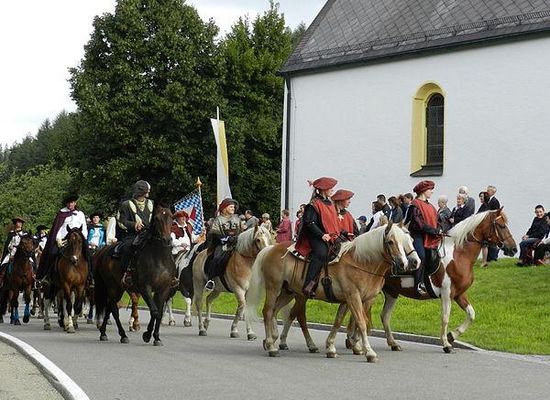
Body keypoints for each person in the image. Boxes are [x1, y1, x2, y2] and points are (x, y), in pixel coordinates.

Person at [295, 177, 340, 298]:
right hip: (316, 236)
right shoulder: (313, 204)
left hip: (330, 236)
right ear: (323, 189)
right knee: (321, 253)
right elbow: (310, 223)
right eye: (330, 188)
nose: (332, 190)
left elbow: (333, 222)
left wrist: (344, 233)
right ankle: (309, 284)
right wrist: (322, 235)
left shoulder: (329, 203)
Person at [36, 194, 89, 288]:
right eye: (68, 203)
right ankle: (47, 276)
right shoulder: (61, 213)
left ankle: (90, 277)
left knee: (88, 255)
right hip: (65, 239)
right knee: (52, 253)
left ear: (75, 203)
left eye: (72, 202)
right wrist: (58, 238)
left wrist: (82, 238)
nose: (70, 204)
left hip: (78, 239)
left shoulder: (80, 214)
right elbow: (58, 228)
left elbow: (84, 227)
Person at [408, 180, 442, 295]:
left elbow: (438, 220)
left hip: (431, 235)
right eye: (430, 189)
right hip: (417, 236)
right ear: (423, 191)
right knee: (421, 256)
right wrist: (434, 231)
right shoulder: (414, 205)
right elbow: (419, 224)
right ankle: (418, 283)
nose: (432, 192)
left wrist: (440, 229)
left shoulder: (431, 206)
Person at [118, 180, 154, 287]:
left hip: (149, 235)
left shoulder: (152, 203)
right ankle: (127, 273)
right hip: (133, 235)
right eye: (147, 190)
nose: (149, 192)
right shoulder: (126, 205)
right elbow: (121, 221)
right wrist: (134, 225)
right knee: (128, 247)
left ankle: (170, 273)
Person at [204, 198, 242, 291]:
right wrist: (227, 238)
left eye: (234, 207)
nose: (233, 208)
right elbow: (215, 233)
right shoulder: (218, 219)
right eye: (231, 207)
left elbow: (242, 231)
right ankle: (210, 280)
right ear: (225, 208)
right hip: (223, 245)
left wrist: (237, 238)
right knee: (216, 259)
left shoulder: (237, 219)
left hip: (236, 243)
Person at [0, 217, 32, 288]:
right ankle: (2, 281)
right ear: (15, 224)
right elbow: (8, 245)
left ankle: (35, 279)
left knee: (32, 262)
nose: (19, 224)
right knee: (3, 264)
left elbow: (29, 242)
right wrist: (10, 249)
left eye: (20, 223)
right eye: (18, 222)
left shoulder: (25, 233)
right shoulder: (11, 234)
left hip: (23, 252)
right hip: (12, 252)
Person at [486, 185, 501, 262]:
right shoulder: (488, 200)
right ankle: (489, 257)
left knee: (492, 241)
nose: (487, 192)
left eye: (488, 191)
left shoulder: (495, 201)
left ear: (493, 192)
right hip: (488, 223)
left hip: (492, 223)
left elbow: (496, 213)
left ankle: (493, 257)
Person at [477, 192, 491, 267]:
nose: (480, 198)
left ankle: (484, 261)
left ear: (485, 197)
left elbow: (482, 216)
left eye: (482, 196)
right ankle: (484, 260)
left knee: (484, 245)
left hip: (484, 228)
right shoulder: (484, 205)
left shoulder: (485, 205)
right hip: (482, 227)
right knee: (483, 245)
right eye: (480, 196)